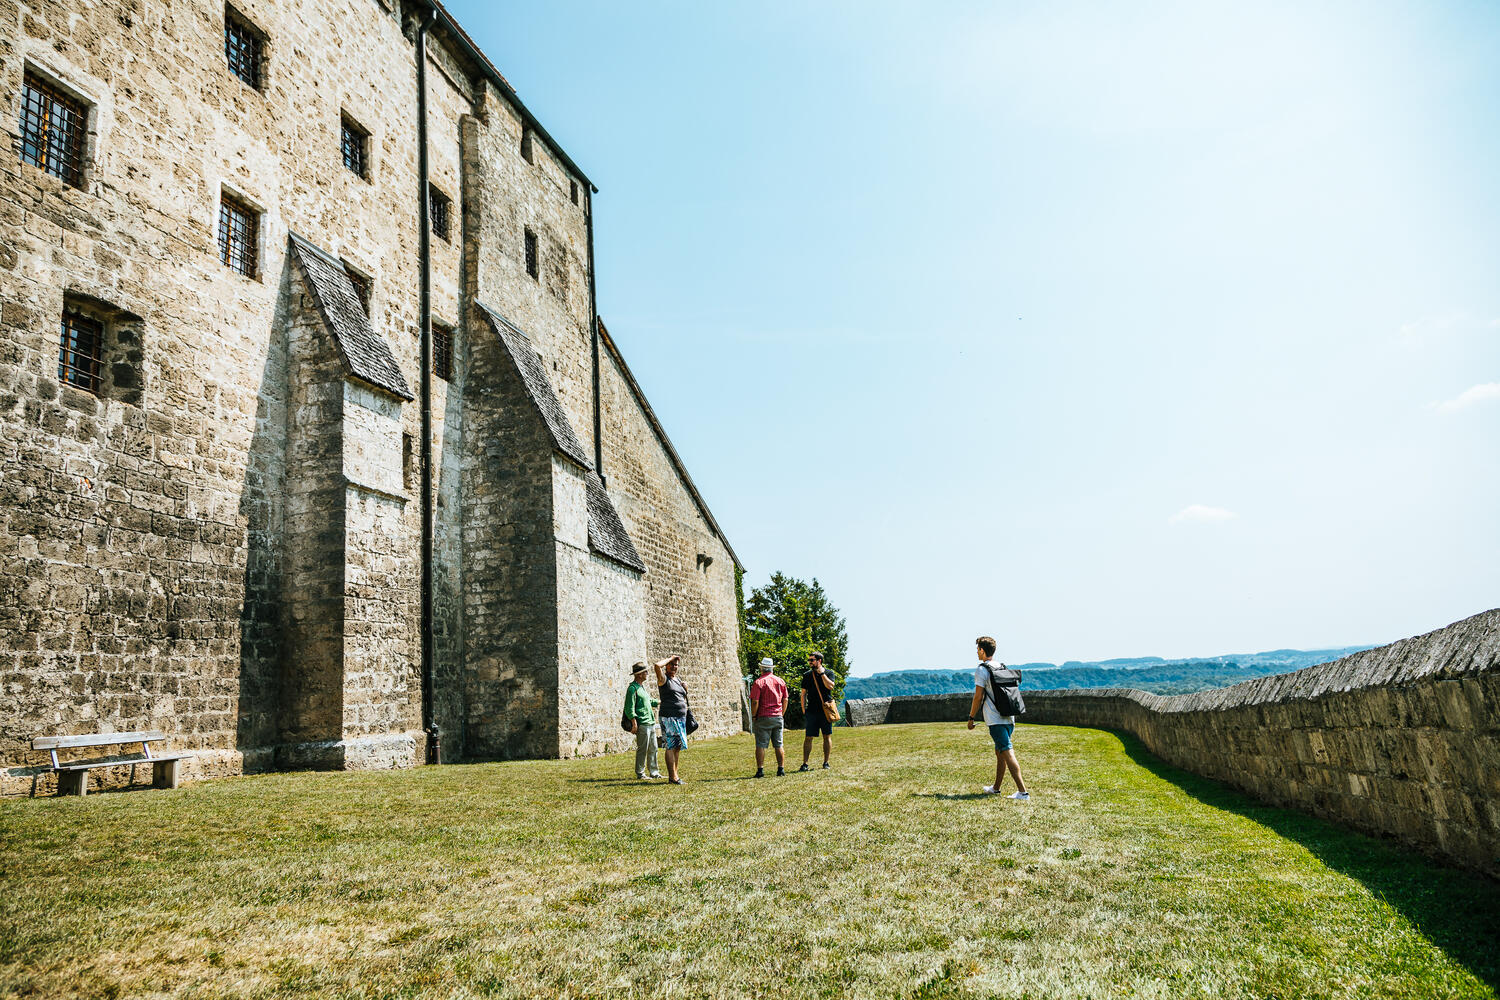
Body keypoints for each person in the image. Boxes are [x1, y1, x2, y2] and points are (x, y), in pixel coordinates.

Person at [966, 635, 1029, 799]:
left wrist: (971, 717)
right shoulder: (1001, 666)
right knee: (1000, 752)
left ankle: (1023, 792)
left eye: (977, 649)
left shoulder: (982, 670)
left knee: (1007, 752)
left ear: (982, 650)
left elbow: (978, 697)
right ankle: (996, 788)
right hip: (1009, 717)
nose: (977, 652)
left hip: (995, 719)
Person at [748, 657, 788, 777]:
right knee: (779, 744)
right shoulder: (780, 681)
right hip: (777, 716)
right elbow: (785, 699)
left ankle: (760, 770)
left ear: (761, 668)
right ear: (771, 669)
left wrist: (754, 715)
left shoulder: (759, 682)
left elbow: (755, 701)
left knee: (761, 744)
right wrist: (781, 713)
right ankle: (781, 769)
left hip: (763, 716)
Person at [654, 654, 689, 784]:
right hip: (669, 717)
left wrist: (685, 689)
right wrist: (670, 658)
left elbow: (681, 697)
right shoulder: (663, 679)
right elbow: (657, 666)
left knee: (677, 746)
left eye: (676, 665)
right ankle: (672, 777)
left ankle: (675, 774)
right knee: (670, 745)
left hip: (680, 717)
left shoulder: (677, 680)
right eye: (671, 665)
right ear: (667, 666)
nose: (674, 667)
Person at [799, 651, 836, 771]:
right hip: (812, 711)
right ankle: (805, 763)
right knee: (808, 737)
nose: (809, 662)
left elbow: (830, 686)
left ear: (819, 661)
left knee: (827, 736)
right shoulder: (807, 675)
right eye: (809, 660)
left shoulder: (829, 673)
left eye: (812, 660)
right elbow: (803, 693)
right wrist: (803, 709)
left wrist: (822, 674)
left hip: (825, 710)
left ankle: (826, 762)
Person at [625, 662, 660, 780]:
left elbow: (648, 701)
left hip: (650, 722)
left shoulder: (641, 688)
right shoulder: (632, 688)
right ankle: (640, 773)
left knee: (653, 748)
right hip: (642, 723)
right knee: (643, 750)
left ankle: (654, 772)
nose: (647, 673)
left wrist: (660, 701)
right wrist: (634, 723)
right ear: (639, 674)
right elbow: (629, 708)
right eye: (645, 672)